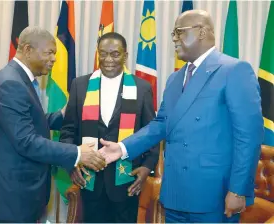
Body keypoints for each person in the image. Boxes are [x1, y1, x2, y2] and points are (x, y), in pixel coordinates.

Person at [99, 10, 264, 223]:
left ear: (203, 32)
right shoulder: (175, 78)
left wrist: (239, 190)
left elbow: (248, 137)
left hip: (213, 195)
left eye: (179, 32)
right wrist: (122, 148)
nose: (174, 39)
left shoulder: (234, 70)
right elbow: (161, 124)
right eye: (173, 34)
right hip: (176, 193)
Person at [0, 26, 106, 223]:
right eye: (49, 53)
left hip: (21, 190)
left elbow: (33, 122)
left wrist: (66, 112)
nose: (54, 58)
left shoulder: (20, 79)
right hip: (12, 193)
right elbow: (26, 141)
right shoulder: (10, 84)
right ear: (28, 50)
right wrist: (78, 153)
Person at [60, 32, 159, 223]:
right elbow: (68, 131)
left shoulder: (142, 88)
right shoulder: (80, 85)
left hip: (127, 181)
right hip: (90, 181)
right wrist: (70, 163)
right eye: (103, 53)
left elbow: (151, 134)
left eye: (115, 54)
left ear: (125, 55)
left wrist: (147, 167)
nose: (108, 59)